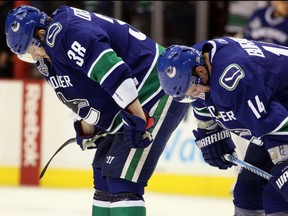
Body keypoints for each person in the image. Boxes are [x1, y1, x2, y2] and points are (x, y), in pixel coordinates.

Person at [5, 4, 189, 216]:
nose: (33, 56)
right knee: (103, 176)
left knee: (122, 180)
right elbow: (83, 90)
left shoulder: (68, 32)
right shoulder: (49, 53)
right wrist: (89, 128)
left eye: (31, 49)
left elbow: (113, 71)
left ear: (41, 33)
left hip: (154, 89)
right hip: (128, 100)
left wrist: (137, 119)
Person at [157, 37, 288, 215]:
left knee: (275, 196)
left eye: (194, 91)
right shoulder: (194, 59)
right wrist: (209, 128)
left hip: (280, 119)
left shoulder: (235, 80)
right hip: (277, 109)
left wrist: (284, 162)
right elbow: (201, 100)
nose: (194, 96)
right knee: (247, 191)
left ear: (201, 71)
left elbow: (277, 127)